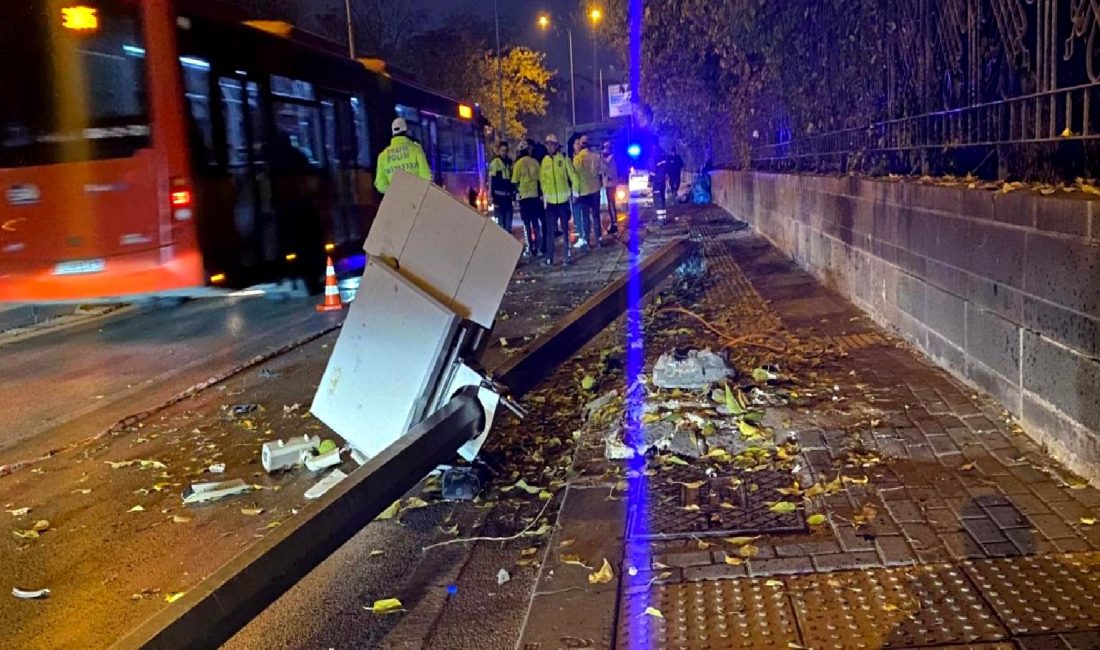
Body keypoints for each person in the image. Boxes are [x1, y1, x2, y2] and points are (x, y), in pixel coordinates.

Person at [539, 133, 580, 266]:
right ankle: (549, 258)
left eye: (552, 144)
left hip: (563, 202)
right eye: (548, 144)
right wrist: (544, 197)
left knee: (565, 231)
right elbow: (543, 181)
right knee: (550, 233)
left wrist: (574, 193)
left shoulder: (563, 158)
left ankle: (566, 257)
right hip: (551, 204)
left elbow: (573, 176)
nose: (550, 147)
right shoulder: (544, 161)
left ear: (557, 145)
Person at [375, 117, 431, 195]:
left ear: (393, 134)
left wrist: (395, 191)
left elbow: (381, 185)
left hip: (396, 200)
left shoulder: (382, 156)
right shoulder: (416, 150)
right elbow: (426, 177)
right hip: (416, 198)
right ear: (406, 132)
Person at [572, 134, 605, 248]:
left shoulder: (577, 159)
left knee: (585, 216)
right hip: (595, 189)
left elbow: (575, 176)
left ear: (581, 145)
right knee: (596, 215)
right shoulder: (596, 156)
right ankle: (598, 239)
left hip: (584, 191)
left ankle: (586, 240)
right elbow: (602, 171)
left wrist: (575, 192)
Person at [511, 140, 543, 256]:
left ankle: (529, 249)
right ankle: (539, 248)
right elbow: (540, 180)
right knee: (535, 223)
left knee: (526, 224)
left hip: (524, 197)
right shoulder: (534, 162)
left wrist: (515, 197)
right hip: (534, 196)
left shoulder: (518, 164)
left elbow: (514, 181)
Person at [488, 141, 515, 232]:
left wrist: (514, 194)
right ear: (499, 151)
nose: (504, 152)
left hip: (507, 198)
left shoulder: (510, 163)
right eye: (502, 150)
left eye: (505, 151)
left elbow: (513, 179)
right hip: (498, 198)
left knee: (508, 225)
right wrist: (491, 196)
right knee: (500, 226)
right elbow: (491, 180)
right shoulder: (495, 163)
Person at [602, 140, 619, 234]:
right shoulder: (611, 159)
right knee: (611, 204)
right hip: (610, 184)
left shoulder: (609, 160)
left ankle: (614, 224)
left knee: (611, 205)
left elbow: (608, 171)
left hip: (610, 184)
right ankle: (614, 223)